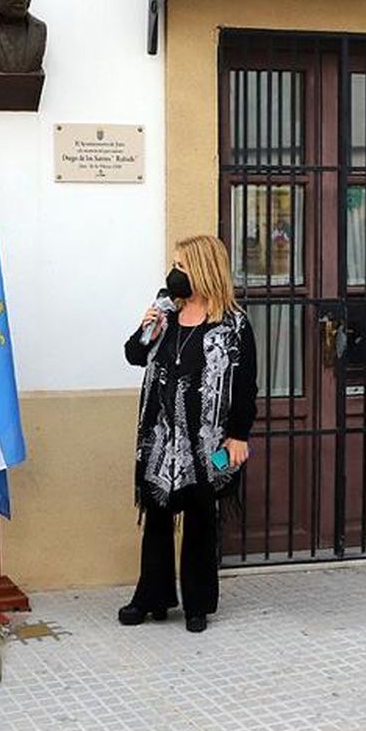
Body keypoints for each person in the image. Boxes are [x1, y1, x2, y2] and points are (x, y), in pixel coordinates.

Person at [121, 234, 258, 633]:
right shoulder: (167, 313)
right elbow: (133, 356)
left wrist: (238, 435)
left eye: (181, 266)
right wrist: (147, 327)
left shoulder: (233, 326)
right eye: (174, 265)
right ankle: (152, 597)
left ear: (202, 270)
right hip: (160, 439)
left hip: (207, 444)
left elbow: (246, 386)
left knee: (200, 520)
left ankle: (198, 604)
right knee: (157, 519)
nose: (174, 273)